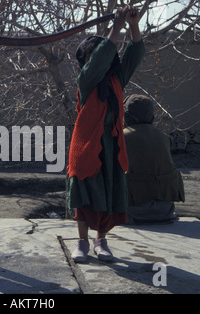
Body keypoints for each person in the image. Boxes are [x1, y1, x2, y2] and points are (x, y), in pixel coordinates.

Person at [67, 5, 145, 263]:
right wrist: (116, 28)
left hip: (111, 145)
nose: (104, 59)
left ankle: (101, 241)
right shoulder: (86, 81)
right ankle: (81, 242)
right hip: (86, 145)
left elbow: (133, 55)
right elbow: (100, 60)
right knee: (84, 190)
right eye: (95, 55)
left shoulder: (115, 81)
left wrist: (132, 25)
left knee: (109, 189)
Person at [123, 94, 185, 224]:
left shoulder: (122, 138)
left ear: (127, 116)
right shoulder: (164, 138)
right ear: (152, 117)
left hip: (132, 212)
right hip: (166, 211)